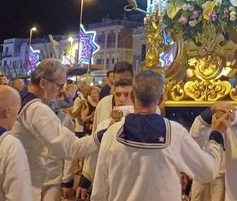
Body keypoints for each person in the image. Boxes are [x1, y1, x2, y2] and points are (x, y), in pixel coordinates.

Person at [92, 70, 229, 201]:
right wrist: (216, 135)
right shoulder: (175, 132)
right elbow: (208, 171)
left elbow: (99, 191)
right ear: (161, 99)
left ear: (133, 97)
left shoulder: (111, 133)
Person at [11, 59, 99, 201]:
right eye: (60, 86)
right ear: (44, 83)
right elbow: (70, 148)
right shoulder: (37, 109)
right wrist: (102, 135)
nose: (60, 92)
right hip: (32, 184)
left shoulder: (18, 101)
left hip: (18, 180)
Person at [92, 61, 134, 131]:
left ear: (132, 78)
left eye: (126, 80)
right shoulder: (103, 104)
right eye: (119, 80)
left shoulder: (139, 106)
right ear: (113, 79)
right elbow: (95, 134)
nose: (122, 84)